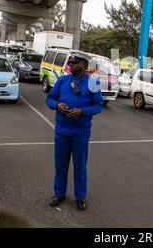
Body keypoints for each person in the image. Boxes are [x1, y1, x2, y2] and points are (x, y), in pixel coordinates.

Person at [46, 55, 103, 211]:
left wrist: (82, 112)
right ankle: (59, 194)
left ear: (84, 66)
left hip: (81, 133)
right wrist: (57, 106)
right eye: (70, 63)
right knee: (60, 165)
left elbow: (98, 106)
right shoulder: (63, 80)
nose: (70, 65)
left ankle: (80, 197)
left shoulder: (93, 83)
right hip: (62, 132)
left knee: (80, 166)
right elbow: (50, 99)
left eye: (74, 63)